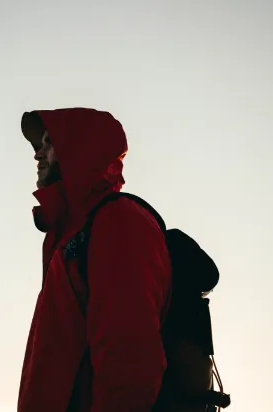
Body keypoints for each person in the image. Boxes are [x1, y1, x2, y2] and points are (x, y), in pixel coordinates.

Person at [18, 108, 172, 412]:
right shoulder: (69, 239)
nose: (38, 154)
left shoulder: (117, 221)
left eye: (49, 142)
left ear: (79, 148)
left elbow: (129, 365)